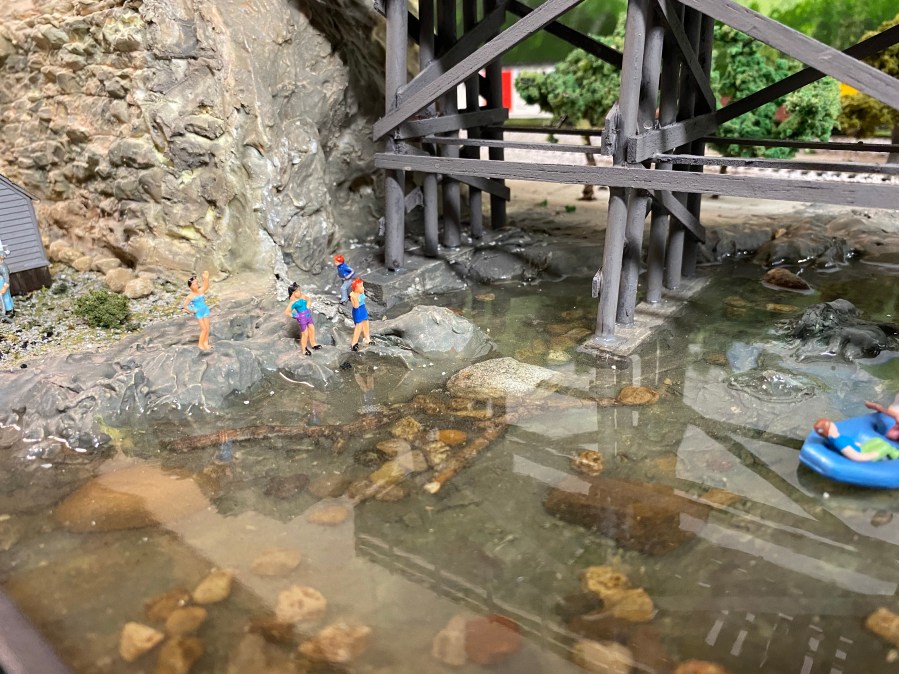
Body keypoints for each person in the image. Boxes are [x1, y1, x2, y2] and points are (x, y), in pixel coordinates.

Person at [814, 397, 899, 462]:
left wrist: (875, 406)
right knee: (885, 444)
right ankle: (894, 453)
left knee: (880, 440)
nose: (835, 426)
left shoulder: (837, 439)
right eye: (832, 426)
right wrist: (872, 455)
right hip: (862, 453)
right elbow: (856, 456)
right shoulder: (839, 441)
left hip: (861, 449)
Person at [284, 282, 322, 356]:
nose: (300, 292)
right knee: (305, 334)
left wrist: (308, 306)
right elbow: (287, 312)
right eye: (297, 291)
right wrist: (296, 315)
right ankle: (304, 349)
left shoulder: (303, 296)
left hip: (308, 316)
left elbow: (309, 299)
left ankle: (313, 344)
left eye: (299, 290)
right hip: (302, 318)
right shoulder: (293, 303)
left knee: (312, 329)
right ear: (293, 293)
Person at [181, 271, 212, 351]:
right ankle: (200, 344)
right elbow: (184, 306)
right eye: (194, 284)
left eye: (197, 283)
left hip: (205, 310)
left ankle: (206, 343)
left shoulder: (200, 291)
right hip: (199, 313)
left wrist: (206, 279)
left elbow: (206, 286)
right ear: (190, 287)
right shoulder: (190, 296)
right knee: (204, 329)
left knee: (207, 328)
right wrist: (192, 311)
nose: (196, 285)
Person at [349, 277, 370, 351]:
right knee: (359, 326)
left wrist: (361, 292)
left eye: (362, 285)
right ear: (356, 288)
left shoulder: (361, 292)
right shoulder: (353, 295)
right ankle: (354, 343)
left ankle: (367, 338)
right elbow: (356, 306)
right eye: (361, 286)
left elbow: (363, 298)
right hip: (357, 310)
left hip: (363, 308)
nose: (363, 288)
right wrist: (356, 298)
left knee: (366, 323)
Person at [0, 243, 12, 320]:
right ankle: (3, 309)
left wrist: (5, 286)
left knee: (5, 296)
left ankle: (9, 310)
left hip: (2, 281)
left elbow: (6, 277)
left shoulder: (3, 266)